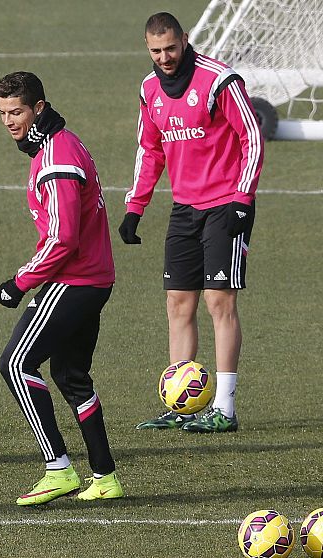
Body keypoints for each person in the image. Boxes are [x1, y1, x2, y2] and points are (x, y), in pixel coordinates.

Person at [119, 12, 263, 433]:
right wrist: (135, 206)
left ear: (185, 39)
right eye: (155, 51)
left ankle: (225, 409)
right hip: (184, 208)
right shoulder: (149, 89)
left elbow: (251, 137)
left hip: (226, 205)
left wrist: (243, 198)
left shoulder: (220, 80)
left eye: (170, 48)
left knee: (219, 302)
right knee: (178, 303)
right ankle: (182, 406)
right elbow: (150, 149)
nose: (164, 57)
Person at [0, 71, 123, 506]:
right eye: (2, 113)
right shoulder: (62, 143)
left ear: (39, 108)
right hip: (94, 278)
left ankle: (58, 469)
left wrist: (19, 282)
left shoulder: (56, 157)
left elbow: (63, 238)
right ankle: (104, 477)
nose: (9, 121)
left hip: (75, 279)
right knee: (71, 377)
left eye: (16, 112)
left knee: (16, 364)